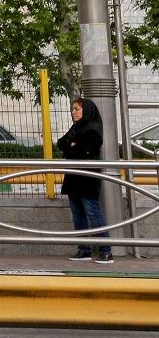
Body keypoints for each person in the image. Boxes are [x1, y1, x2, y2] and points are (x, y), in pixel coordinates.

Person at [56, 97, 113, 264]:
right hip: (73, 177)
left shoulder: (93, 129)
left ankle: (106, 250)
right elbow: (61, 144)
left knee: (93, 212)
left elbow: (84, 149)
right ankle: (84, 249)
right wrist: (72, 145)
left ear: (86, 111)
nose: (73, 112)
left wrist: (73, 146)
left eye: (77, 109)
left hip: (87, 178)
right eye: (73, 109)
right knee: (77, 213)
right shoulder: (76, 128)